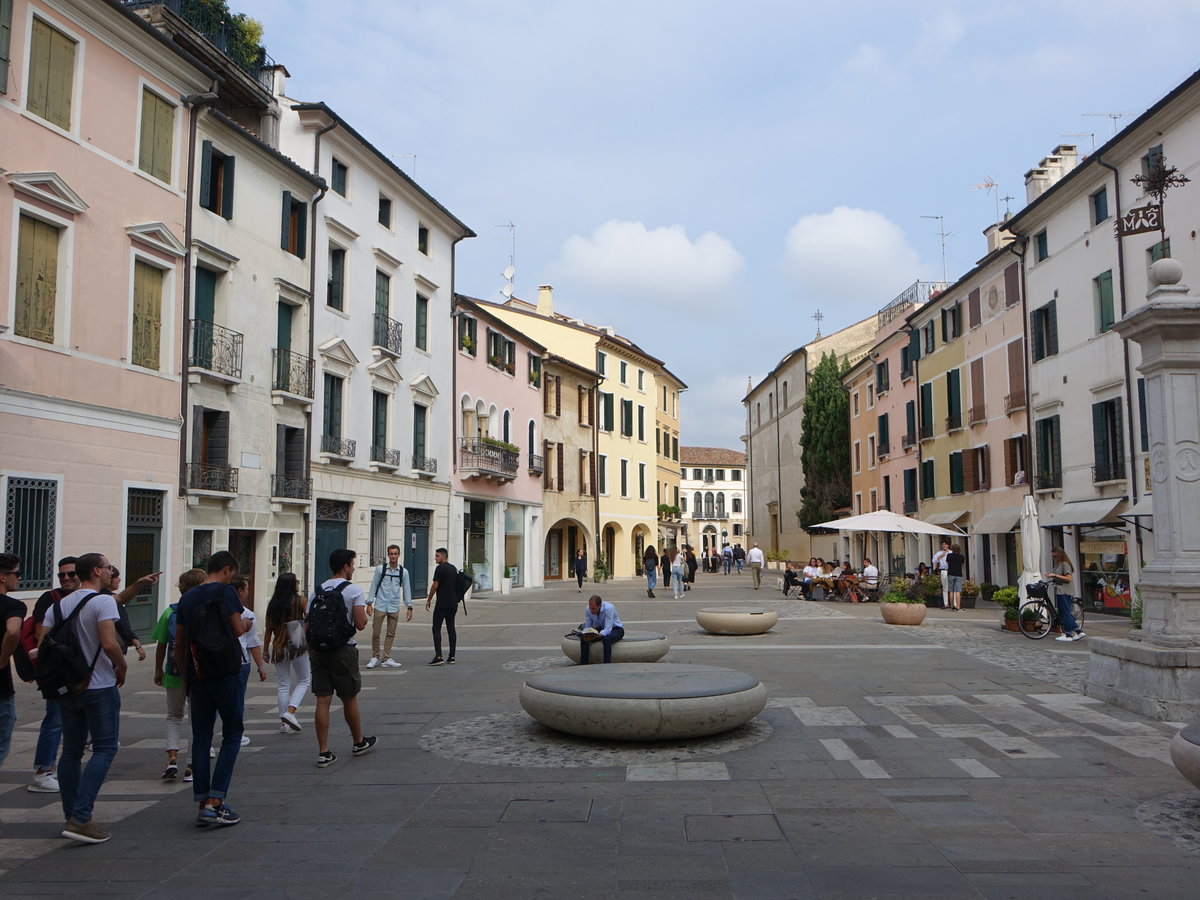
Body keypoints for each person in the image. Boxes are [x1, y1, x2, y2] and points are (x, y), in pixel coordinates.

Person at [42, 552, 126, 844]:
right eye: (107, 567)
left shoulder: (60, 604)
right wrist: (121, 665)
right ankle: (81, 816)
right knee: (104, 749)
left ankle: (71, 815)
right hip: (99, 684)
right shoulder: (103, 601)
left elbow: (43, 643)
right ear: (95, 571)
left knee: (71, 751)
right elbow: (109, 643)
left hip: (70, 686)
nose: (110, 571)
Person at [174, 550, 249, 827]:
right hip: (226, 672)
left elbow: (179, 643)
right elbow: (238, 629)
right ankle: (217, 800)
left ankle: (203, 801)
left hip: (198, 674)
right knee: (232, 733)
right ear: (228, 569)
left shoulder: (187, 598)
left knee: (202, 738)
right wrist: (247, 622)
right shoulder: (226, 592)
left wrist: (186, 678)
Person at [310, 548, 377, 767]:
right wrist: (364, 618)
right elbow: (360, 623)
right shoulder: (353, 591)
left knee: (322, 700)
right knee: (349, 697)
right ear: (346, 566)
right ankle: (358, 741)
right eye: (353, 564)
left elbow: (308, 623)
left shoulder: (317, 590)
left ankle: (324, 751)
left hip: (318, 651)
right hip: (342, 650)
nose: (354, 568)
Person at [28, 556, 78, 794]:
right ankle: (42, 770)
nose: (66, 578)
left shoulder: (89, 597)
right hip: (57, 670)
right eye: (62, 575)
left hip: (77, 669)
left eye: (71, 574)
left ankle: (56, 766)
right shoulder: (50, 598)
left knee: (70, 720)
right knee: (54, 719)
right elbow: (41, 635)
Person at [151, 567, 205, 781]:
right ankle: (192, 765)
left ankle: (172, 758)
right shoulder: (203, 611)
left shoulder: (170, 612)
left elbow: (161, 644)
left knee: (174, 716)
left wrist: (158, 669)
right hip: (198, 672)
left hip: (173, 672)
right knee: (197, 719)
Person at [262, 573, 309, 734]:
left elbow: (268, 628)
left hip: (278, 645)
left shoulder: (273, 604)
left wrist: (265, 649)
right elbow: (310, 618)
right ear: (291, 585)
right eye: (296, 581)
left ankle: (284, 723)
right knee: (304, 680)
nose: (298, 583)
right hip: (296, 641)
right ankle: (290, 711)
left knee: (283, 684)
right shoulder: (300, 600)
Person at [366, 545, 412, 669]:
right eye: (391, 554)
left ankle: (386, 658)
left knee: (390, 633)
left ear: (399, 554)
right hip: (380, 604)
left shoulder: (403, 572)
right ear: (388, 554)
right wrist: (369, 603)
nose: (393, 556)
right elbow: (374, 585)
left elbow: (407, 589)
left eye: (395, 554)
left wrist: (409, 607)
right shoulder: (380, 570)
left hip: (394, 606)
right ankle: (375, 656)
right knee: (376, 632)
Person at [232, 576, 266, 745]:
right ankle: (236, 735)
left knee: (216, 701)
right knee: (237, 699)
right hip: (240, 661)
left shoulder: (219, 609)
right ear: (240, 591)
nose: (247, 592)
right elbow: (253, 643)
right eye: (246, 589)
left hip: (218, 661)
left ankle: (207, 741)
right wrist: (261, 667)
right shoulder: (246, 614)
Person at [0, 554, 26, 775]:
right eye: (16, 574)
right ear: (2, 577)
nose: (18, 578)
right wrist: (1, 661)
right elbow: (13, 631)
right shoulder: (13, 606)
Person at [425, 548, 462, 666]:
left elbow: (435, 584)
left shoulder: (440, 568)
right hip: (453, 603)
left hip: (442, 604)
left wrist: (429, 599)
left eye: (437, 556)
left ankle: (438, 656)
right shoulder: (453, 568)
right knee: (451, 628)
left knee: (436, 628)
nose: (435, 558)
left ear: (444, 556)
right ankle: (452, 656)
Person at [107, 566, 148, 663]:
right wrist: (138, 645)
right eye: (116, 577)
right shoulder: (110, 600)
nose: (119, 580)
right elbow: (123, 625)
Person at [1046, 546, 1085, 642]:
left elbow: (1068, 578)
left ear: (1059, 555)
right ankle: (1078, 631)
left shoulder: (1065, 564)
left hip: (1065, 591)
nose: (1054, 558)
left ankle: (1068, 634)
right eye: (1052, 557)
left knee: (1065, 613)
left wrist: (1055, 575)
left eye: (1055, 556)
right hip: (1060, 590)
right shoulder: (1059, 564)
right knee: (1064, 612)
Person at [577, 595, 625, 664]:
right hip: (601, 628)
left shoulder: (609, 608)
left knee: (606, 639)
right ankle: (584, 663)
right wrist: (585, 633)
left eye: (593, 609)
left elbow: (608, 629)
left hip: (616, 629)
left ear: (600, 606)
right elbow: (588, 626)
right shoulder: (587, 609)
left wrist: (598, 636)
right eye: (590, 608)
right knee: (584, 639)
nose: (591, 611)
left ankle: (606, 664)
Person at [945, 544, 966, 611]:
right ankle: (958, 606)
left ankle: (951, 606)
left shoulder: (949, 555)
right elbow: (962, 564)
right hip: (958, 574)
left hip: (950, 574)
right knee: (958, 591)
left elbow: (947, 563)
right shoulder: (961, 556)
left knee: (951, 591)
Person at [932, 540, 951, 609]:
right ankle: (946, 603)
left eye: (945, 544)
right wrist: (940, 556)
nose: (944, 546)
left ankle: (953, 603)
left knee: (952, 587)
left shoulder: (951, 552)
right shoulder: (939, 553)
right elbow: (933, 560)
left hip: (951, 571)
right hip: (943, 570)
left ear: (948, 545)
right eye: (943, 544)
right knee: (945, 588)